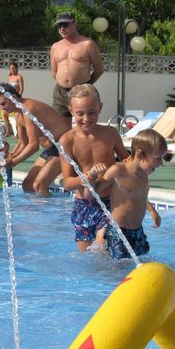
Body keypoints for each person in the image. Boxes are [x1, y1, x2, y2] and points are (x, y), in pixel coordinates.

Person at [59, 84, 130, 252]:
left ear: (100, 108)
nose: (86, 118)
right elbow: (67, 183)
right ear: (71, 110)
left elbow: (128, 161)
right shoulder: (67, 141)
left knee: (105, 246)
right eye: (80, 113)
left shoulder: (110, 134)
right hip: (83, 205)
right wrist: (85, 178)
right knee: (87, 258)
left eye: (92, 112)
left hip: (111, 201)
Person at [95, 129, 168, 260]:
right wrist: (91, 176)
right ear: (140, 155)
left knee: (140, 262)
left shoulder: (144, 174)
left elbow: (140, 196)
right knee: (119, 266)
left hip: (137, 231)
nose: (161, 163)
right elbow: (95, 193)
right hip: (118, 231)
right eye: (157, 158)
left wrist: (152, 211)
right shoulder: (118, 170)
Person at [0, 83, 70, 197]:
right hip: (51, 149)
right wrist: (8, 159)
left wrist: (12, 162)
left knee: (39, 185)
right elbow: (22, 143)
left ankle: (52, 208)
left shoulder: (28, 109)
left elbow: (34, 146)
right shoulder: (18, 115)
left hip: (65, 147)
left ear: (13, 98)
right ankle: (41, 206)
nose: (2, 108)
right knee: (28, 185)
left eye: (3, 103)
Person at [50, 11, 104, 128]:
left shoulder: (87, 44)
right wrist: (63, 82)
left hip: (82, 91)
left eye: (65, 25)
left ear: (75, 24)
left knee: (85, 125)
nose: (62, 29)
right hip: (61, 92)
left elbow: (99, 69)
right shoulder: (55, 47)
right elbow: (54, 72)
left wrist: (86, 85)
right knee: (60, 128)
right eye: (59, 26)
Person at [2, 61, 24, 137]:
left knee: (17, 115)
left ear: (17, 68)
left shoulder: (19, 77)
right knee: (5, 114)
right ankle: (8, 132)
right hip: (9, 98)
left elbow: (21, 89)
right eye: (11, 68)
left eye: (14, 68)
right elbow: (8, 88)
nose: (12, 70)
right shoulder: (9, 77)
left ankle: (18, 133)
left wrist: (18, 98)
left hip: (16, 98)